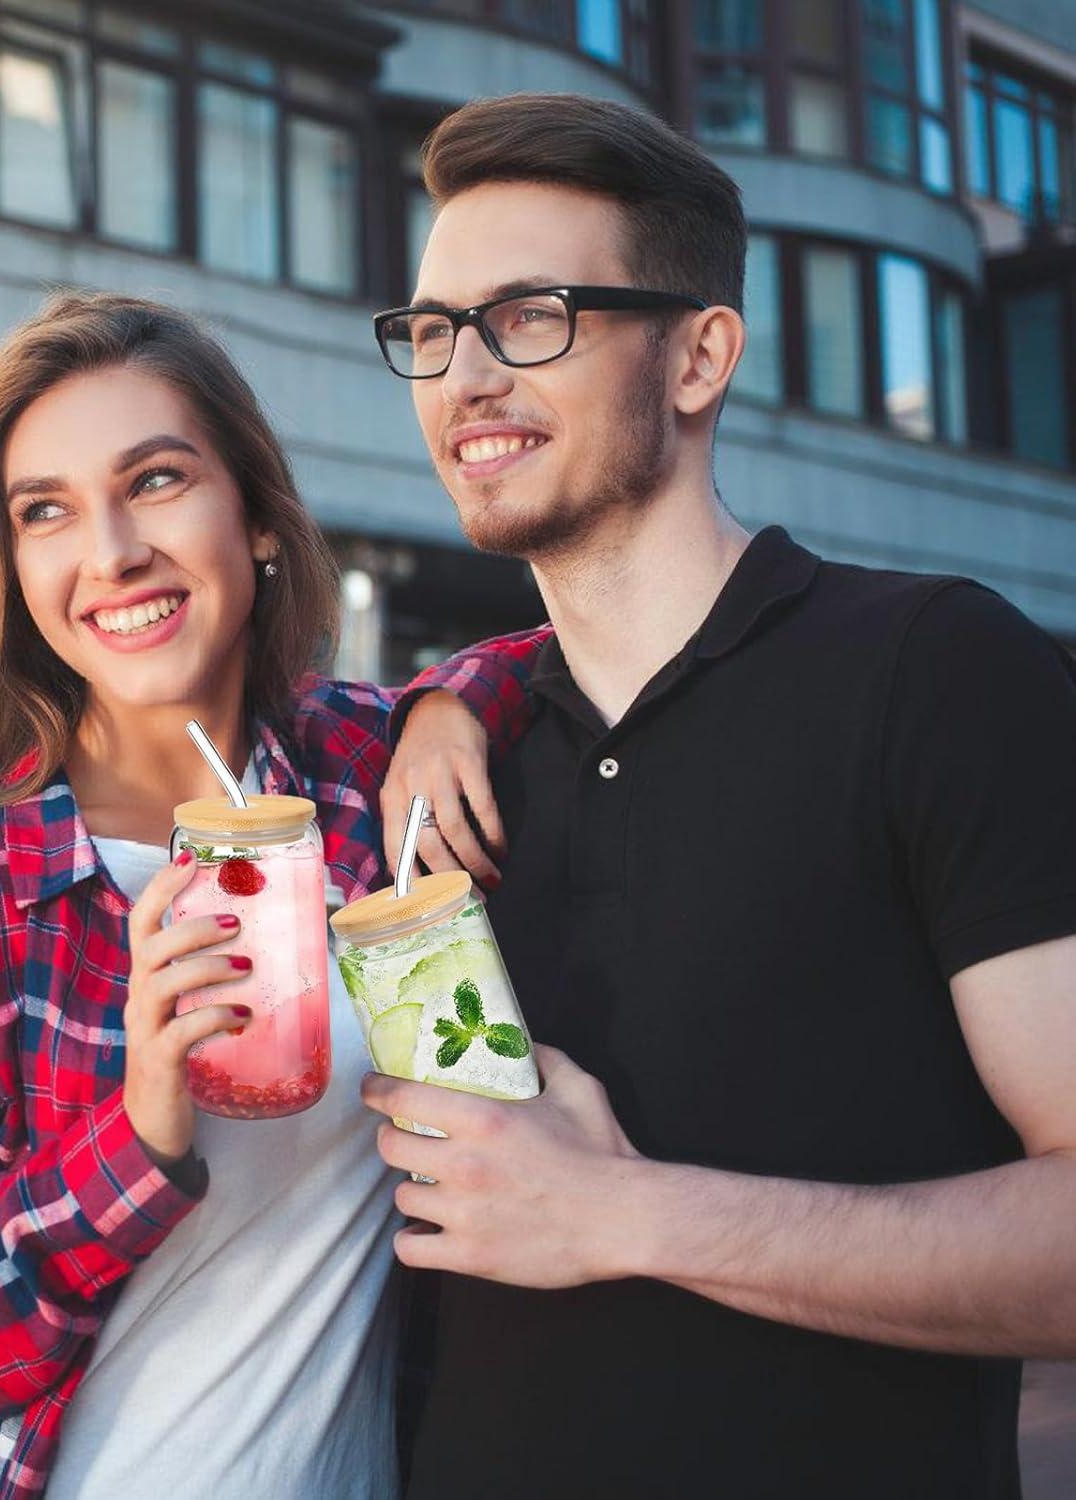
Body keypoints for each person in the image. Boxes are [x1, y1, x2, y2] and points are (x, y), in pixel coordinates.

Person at [369, 93, 1076, 1499]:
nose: (464, 377)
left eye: (530, 317)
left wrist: (624, 1214)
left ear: (699, 356)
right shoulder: (451, 759)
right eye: (435, 330)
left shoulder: (937, 672)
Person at [0, 291, 534, 1500]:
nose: (111, 550)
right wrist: (134, 1139)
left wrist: (456, 697)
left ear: (254, 517)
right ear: (19, 570)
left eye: (154, 481)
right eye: (47, 512)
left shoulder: (362, 782)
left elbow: (566, 655)